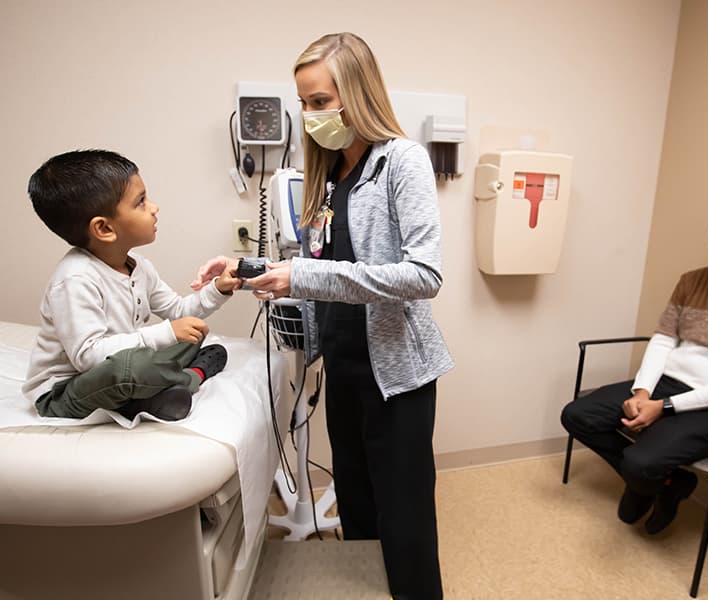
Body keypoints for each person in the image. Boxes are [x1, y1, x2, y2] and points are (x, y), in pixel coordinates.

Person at [193, 32, 453, 599]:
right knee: (357, 503)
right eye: (304, 102)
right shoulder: (328, 174)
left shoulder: (401, 162)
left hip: (397, 375)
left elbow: (424, 276)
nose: (308, 116)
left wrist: (303, 276)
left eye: (319, 102)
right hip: (343, 364)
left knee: (403, 515)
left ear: (357, 95)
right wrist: (244, 267)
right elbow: (314, 263)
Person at [561, 188, 708, 534]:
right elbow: (663, 340)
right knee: (578, 415)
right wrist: (643, 392)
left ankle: (645, 479)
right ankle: (669, 483)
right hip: (667, 388)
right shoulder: (692, 280)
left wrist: (665, 407)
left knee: (639, 461)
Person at [23, 149, 239, 422]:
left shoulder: (139, 266)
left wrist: (217, 289)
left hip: (118, 368)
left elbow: (179, 310)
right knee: (130, 367)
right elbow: (88, 357)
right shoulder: (75, 279)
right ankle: (188, 378)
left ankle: (160, 388)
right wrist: (167, 332)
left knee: (191, 335)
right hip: (67, 390)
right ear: (104, 229)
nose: (154, 207)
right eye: (140, 202)